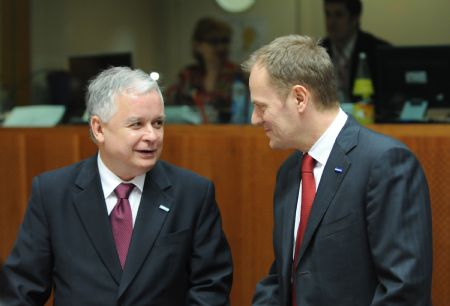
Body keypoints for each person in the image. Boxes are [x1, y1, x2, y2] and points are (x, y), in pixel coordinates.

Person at [1, 67, 233, 305]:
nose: (152, 136)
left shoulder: (193, 194)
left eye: (158, 123)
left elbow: (211, 287)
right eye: (137, 124)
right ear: (99, 129)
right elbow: (22, 290)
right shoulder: (53, 193)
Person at [242, 35, 432, 306]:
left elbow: (404, 290)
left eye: (261, 107)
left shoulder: (385, 163)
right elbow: (285, 277)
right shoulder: (289, 171)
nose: (254, 119)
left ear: (299, 98)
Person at [165, 17, 248, 123]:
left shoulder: (239, 74)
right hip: (192, 136)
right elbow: (169, 108)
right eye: (214, 42)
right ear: (198, 46)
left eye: (225, 41)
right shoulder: (188, 75)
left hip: (231, 135)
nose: (221, 47)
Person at [321, 0, 390, 102]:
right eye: (328, 15)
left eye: (338, 15)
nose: (331, 22)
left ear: (354, 19)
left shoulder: (376, 50)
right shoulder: (318, 50)